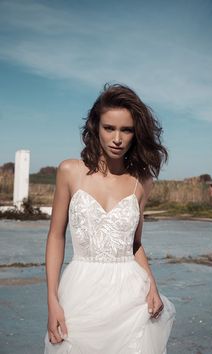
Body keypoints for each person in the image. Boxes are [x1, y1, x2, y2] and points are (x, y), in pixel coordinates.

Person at [44, 83, 176, 354]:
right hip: (80, 292)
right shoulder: (70, 171)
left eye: (126, 130)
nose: (117, 138)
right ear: (96, 128)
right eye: (109, 128)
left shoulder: (142, 181)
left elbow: (135, 244)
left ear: (135, 133)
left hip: (129, 296)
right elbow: (56, 236)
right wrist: (52, 301)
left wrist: (153, 287)